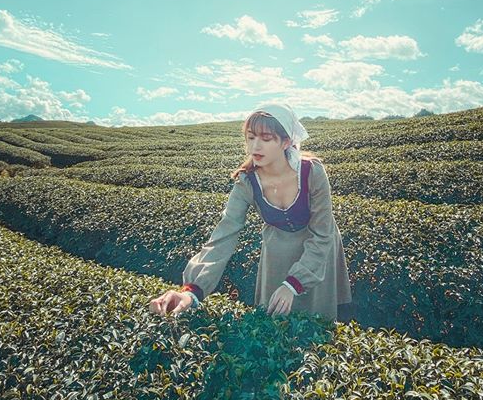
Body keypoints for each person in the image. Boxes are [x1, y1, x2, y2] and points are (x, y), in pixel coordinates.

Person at [149, 102, 353, 322]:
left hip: (317, 251)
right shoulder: (247, 181)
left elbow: (323, 233)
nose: (256, 146)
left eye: (266, 139)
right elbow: (224, 234)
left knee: (315, 321)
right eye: (251, 137)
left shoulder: (312, 171)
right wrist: (192, 291)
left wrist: (294, 284)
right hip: (278, 254)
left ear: (286, 142)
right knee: (276, 323)